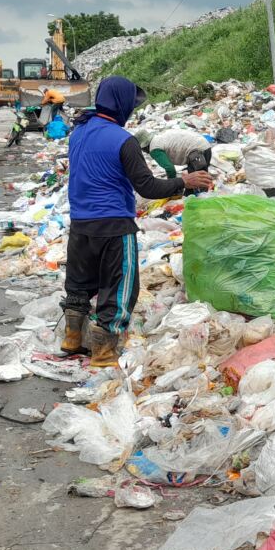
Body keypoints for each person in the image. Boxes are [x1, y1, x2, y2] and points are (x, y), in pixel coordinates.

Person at [61, 76, 213, 366]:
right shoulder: (123, 140)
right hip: (114, 225)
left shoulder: (77, 133)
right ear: (121, 105)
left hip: (80, 224)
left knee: (79, 283)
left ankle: (71, 338)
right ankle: (103, 352)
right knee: (119, 288)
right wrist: (185, 180)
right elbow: (148, 188)